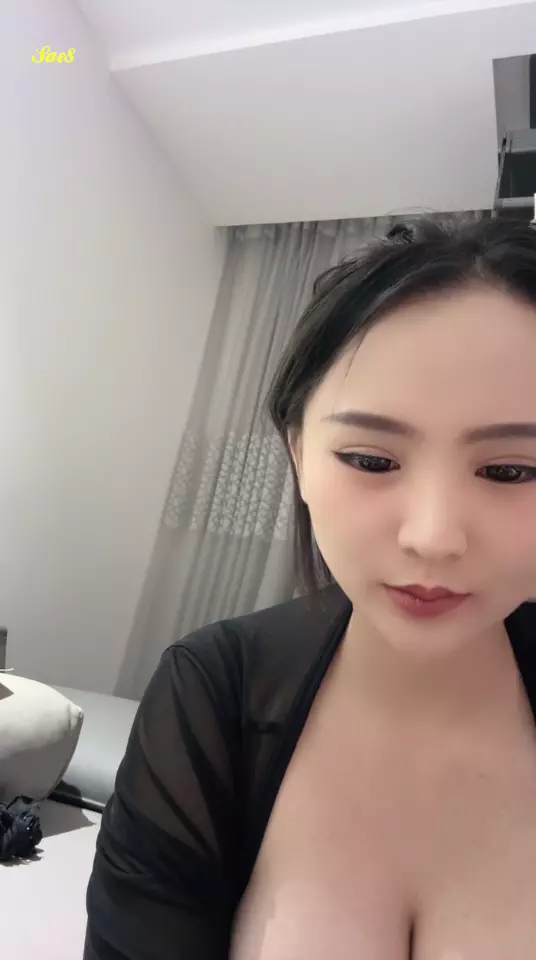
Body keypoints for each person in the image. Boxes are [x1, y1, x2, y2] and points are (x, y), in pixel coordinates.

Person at [84, 216, 536, 960]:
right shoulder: (214, 693)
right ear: (298, 454)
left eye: (510, 471)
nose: (432, 537)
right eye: (371, 460)